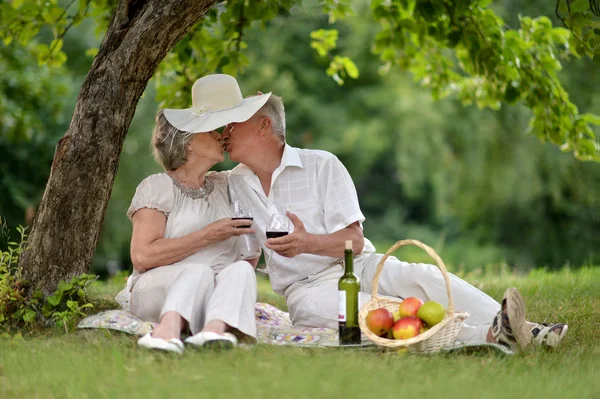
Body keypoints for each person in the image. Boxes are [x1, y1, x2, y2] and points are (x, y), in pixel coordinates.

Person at [222, 84, 568, 353]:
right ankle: (489, 336)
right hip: (306, 290)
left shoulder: (321, 165)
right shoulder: (234, 183)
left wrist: (307, 243)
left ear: (263, 126)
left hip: (360, 264)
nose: (224, 132)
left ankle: (526, 329)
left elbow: (354, 242)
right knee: (372, 311)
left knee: (421, 276)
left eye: (233, 124)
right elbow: (246, 254)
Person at [121, 74, 272, 353]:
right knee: (198, 271)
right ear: (188, 143)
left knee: (240, 271)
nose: (221, 135)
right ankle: (165, 334)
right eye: (211, 129)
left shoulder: (227, 184)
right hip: (159, 288)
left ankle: (214, 333)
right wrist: (207, 236)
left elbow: (249, 255)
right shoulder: (158, 187)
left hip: (212, 295)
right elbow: (142, 256)